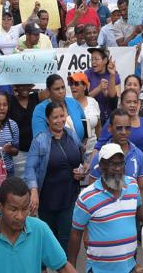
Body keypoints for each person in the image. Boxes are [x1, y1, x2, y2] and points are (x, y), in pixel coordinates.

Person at [0, 177, 76, 273]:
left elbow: (63, 266)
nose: (20, 216)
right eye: (13, 209)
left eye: (24, 209)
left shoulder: (39, 229)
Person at [69, 143, 143, 272]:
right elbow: (75, 235)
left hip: (130, 267)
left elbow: (142, 214)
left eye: (121, 163)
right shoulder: (86, 197)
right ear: (101, 166)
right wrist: (71, 268)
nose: (118, 168)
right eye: (113, 164)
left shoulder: (132, 185)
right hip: (99, 269)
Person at [24, 101, 85, 251]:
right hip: (48, 199)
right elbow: (30, 167)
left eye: (62, 116)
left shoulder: (72, 134)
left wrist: (82, 171)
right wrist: (33, 191)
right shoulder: (40, 140)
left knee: (67, 237)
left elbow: (81, 159)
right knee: (49, 238)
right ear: (47, 119)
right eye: (55, 117)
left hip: (70, 196)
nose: (60, 120)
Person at [31, 74, 86, 142]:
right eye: (57, 89)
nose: (61, 91)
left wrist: (83, 142)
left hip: (79, 150)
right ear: (48, 91)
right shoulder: (40, 109)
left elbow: (84, 122)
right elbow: (39, 138)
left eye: (63, 87)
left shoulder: (73, 103)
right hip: (54, 151)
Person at [85, 46, 119, 125]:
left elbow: (115, 101)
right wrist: (99, 88)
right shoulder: (87, 74)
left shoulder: (114, 75)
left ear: (105, 60)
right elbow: (85, 98)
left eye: (96, 59)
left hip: (110, 119)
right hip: (92, 118)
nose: (93, 62)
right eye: (92, 59)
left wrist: (112, 75)